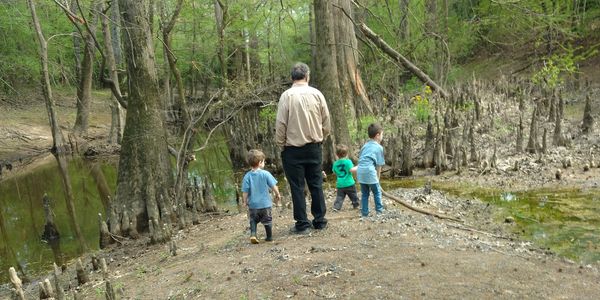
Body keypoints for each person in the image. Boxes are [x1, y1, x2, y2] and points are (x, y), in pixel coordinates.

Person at [276, 62, 331, 234]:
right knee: (316, 184)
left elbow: (281, 123)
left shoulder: (286, 96)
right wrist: (322, 136)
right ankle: (320, 221)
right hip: (314, 145)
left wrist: (281, 144)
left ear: (292, 78)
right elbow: (326, 120)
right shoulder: (317, 94)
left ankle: (302, 223)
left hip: (292, 148)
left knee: (297, 187)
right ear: (307, 76)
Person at [241, 149, 281, 244]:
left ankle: (253, 235)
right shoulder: (265, 174)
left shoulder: (247, 176)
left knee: (253, 220)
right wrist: (277, 194)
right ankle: (269, 237)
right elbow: (273, 186)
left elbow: (245, 191)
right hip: (265, 204)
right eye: (263, 161)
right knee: (267, 220)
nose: (264, 163)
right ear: (260, 163)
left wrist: (244, 201)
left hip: (253, 205)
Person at [356, 123, 385, 218]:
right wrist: (378, 180)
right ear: (377, 135)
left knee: (365, 193)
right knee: (377, 192)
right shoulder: (379, 148)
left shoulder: (365, 146)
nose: (382, 136)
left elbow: (361, 159)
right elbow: (379, 166)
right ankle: (379, 211)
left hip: (360, 171)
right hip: (369, 171)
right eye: (382, 134)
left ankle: (364, 213)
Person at [332, 144, 359, 211]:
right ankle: (356, 205)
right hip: (349, 183)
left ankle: (336, 207)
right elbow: (352, 170)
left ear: (337, 154)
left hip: (340, 184)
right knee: (353, 195)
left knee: (339, 197)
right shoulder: (348, 162)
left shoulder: (335, 163)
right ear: (347, 154)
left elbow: (334, 172)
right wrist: (358, 167)